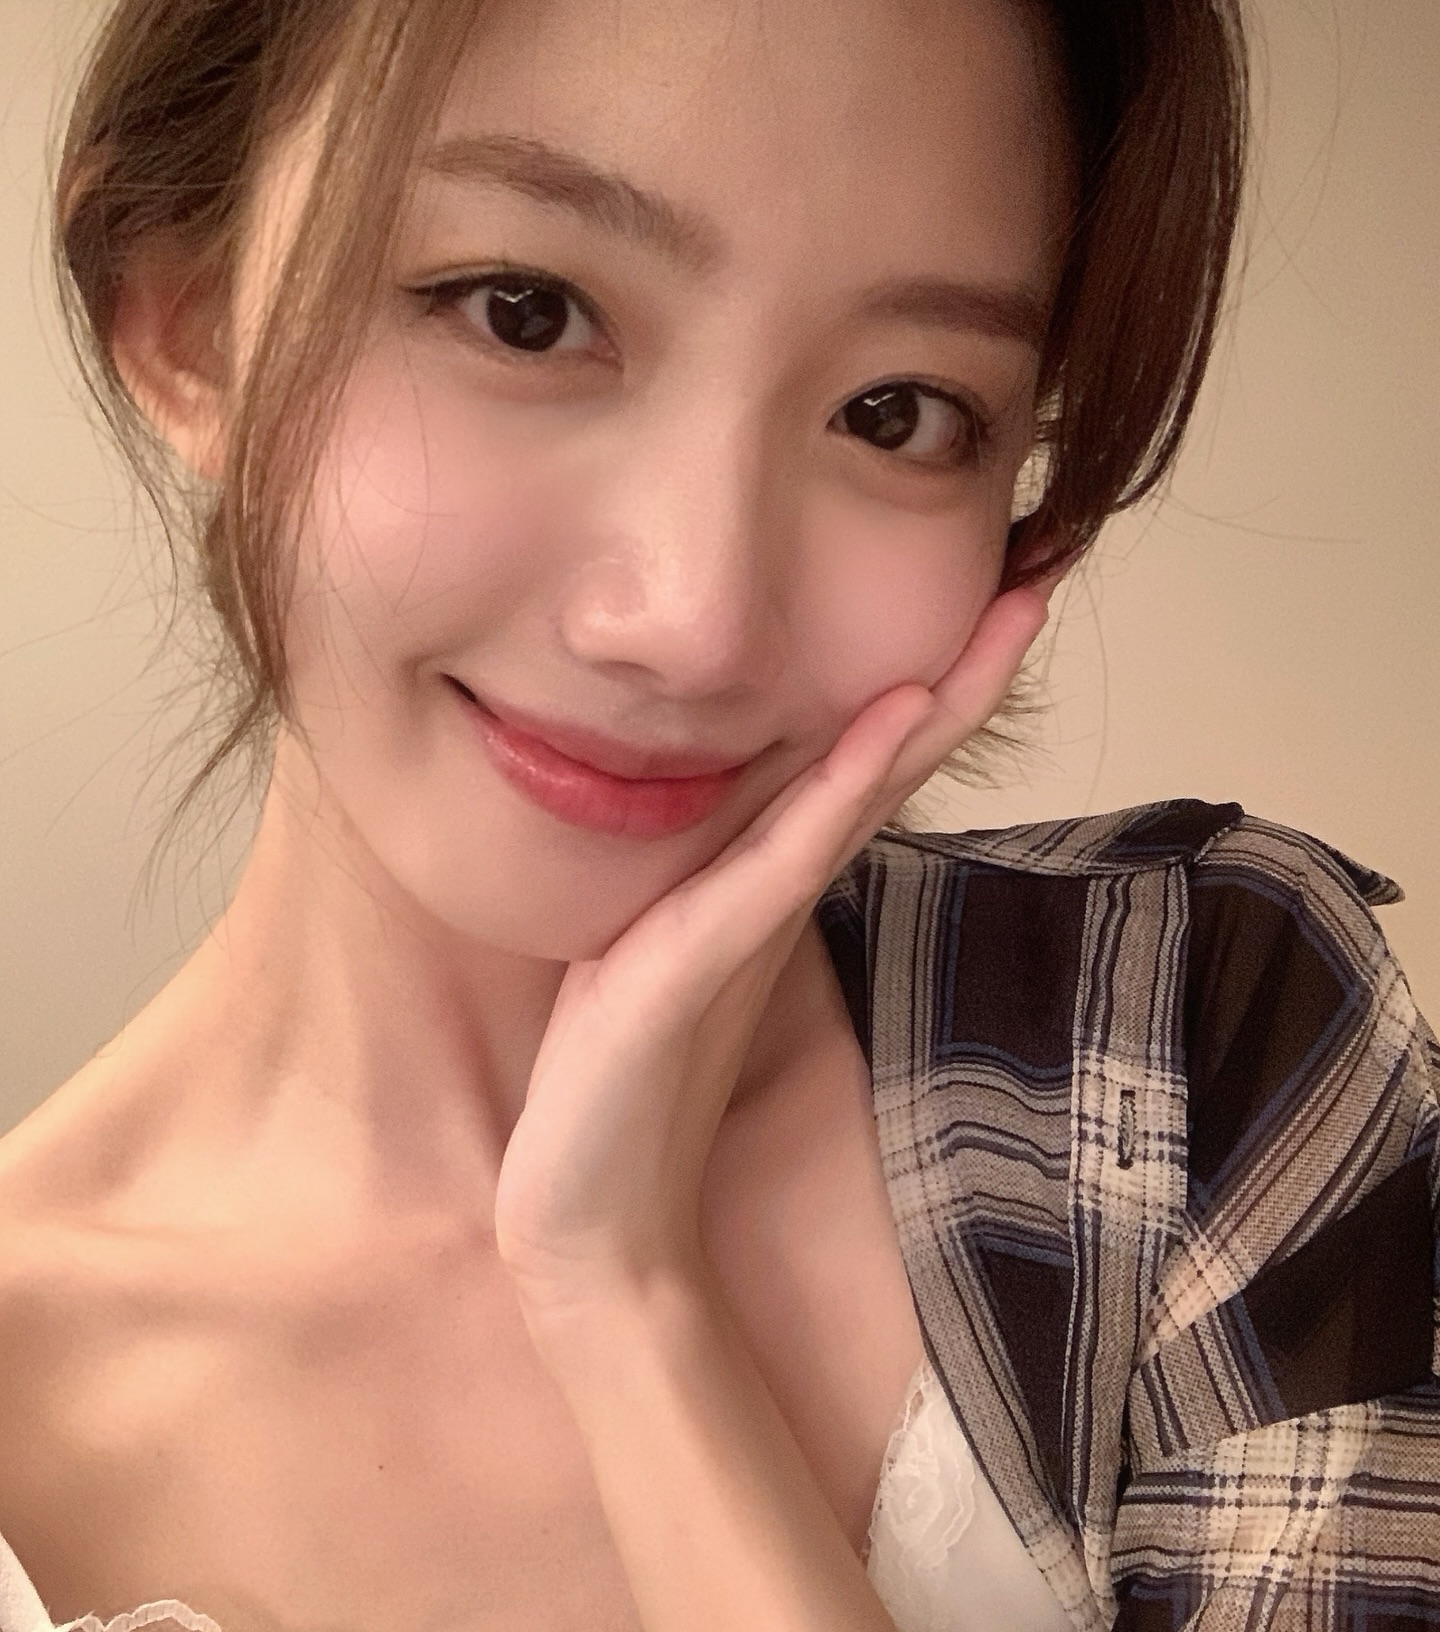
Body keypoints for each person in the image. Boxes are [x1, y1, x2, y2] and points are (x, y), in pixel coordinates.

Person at [0, 0, 1435, 1629]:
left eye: (898, 411)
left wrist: (625, 1297)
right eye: (527, 313)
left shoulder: (1179, 1051)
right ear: (185, 318)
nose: (695, 619)